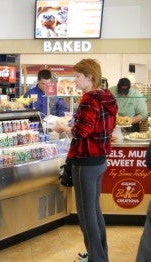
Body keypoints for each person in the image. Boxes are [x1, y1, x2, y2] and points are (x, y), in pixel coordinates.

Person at [53, 58, 118, 262]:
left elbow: (81, 132)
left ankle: (96, 259)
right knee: (95, 212)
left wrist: (63, 128)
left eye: (78, 76)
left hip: (85, 162)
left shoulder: (89, 99)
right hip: (100, 161)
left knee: (86, 215)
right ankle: (101, 255)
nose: (75, 80)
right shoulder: (107, 96)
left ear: (90, 77)